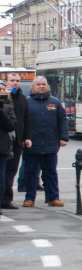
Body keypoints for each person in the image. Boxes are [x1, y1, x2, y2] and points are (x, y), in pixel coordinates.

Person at [22, 77, 68, 208]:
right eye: (38, 84)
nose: (41, 86)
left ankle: (53, 198)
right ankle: (29, 198)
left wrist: (64, 137)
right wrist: (24, 138)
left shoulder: (55, 102)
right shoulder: (27, 102)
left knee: (51, 172)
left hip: (50, 144)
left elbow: (62, 121)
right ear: (33, 87)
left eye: (43, 84)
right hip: (32, 144)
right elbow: (23, 123)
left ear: (47, 86)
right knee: (30, 172)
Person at [1, 72, 30, 210]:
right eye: (12, 80)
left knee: (11, 171)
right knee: (2, 171)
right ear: (5, 82)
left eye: (17, 81)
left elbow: (26, 119)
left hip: (17, 140)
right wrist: (5, 97)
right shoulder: (4, 97)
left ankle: (7, 199)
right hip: (4, 140)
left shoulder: (23, 99)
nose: (15, 83)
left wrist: (26, 137)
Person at [0, 80, 17, 217]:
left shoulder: (7, 107)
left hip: (2, 147)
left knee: (1, 178)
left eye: (1, 89)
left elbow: (11, 126)